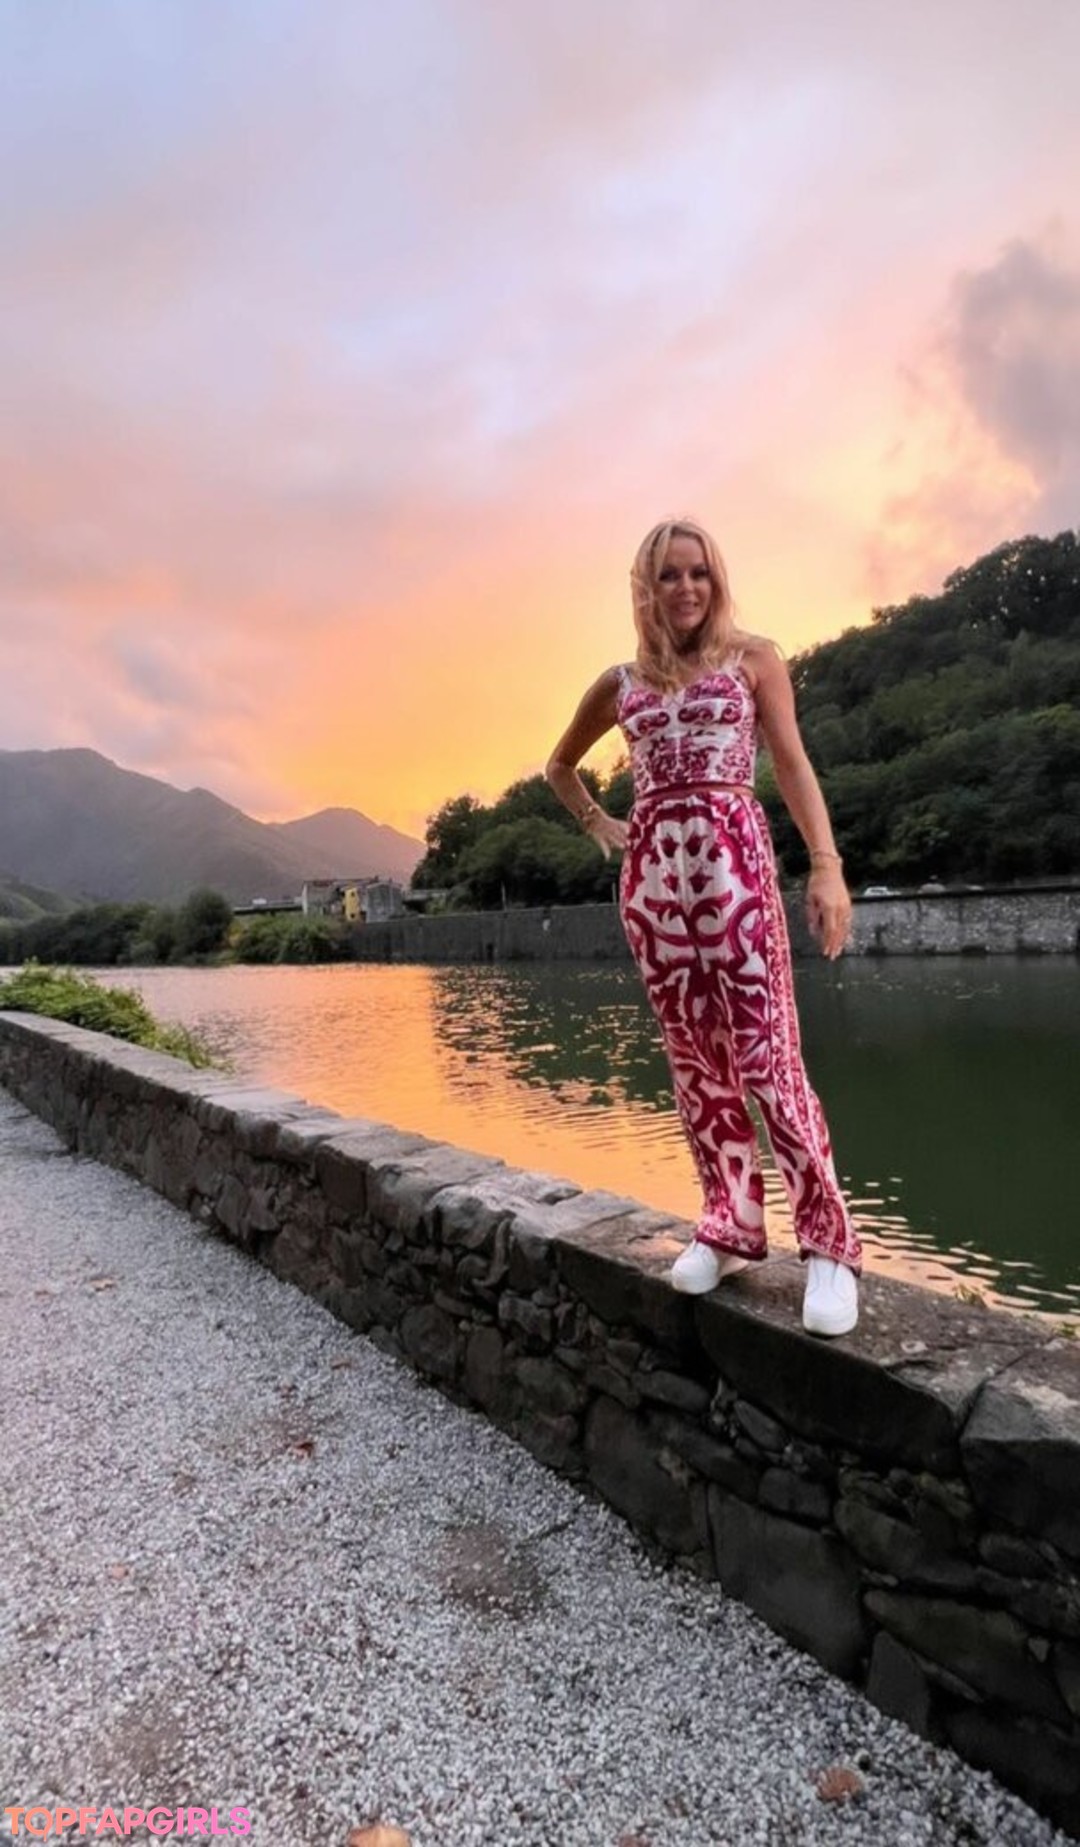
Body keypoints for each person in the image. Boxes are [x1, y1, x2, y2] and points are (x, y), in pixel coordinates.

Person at [545, 518, 862, 1338]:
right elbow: (559, 765)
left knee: (767, 1054)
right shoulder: (620, 683)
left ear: (715, 581)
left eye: (698, 573)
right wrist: (598, 823)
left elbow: (790, 762)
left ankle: (828, 1243)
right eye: (669, 575)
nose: (686, 588)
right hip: (655, 886)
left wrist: (826, 864)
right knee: (694, 1061)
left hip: (737, 874)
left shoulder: (753, 659)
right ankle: (730, 1224)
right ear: (645, 589)